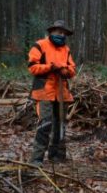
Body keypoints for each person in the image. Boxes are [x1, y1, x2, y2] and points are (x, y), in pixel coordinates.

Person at [27, 20, 77, 165]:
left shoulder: (66, 50)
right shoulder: (40, 45)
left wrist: (63, 70)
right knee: (45, 124)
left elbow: (72, 69)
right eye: (58, 32)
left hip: (62, 92)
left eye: (63, 33)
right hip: (44, 91)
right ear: (52, 32)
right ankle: (37, 159)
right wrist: (50, 67)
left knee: (60, 124)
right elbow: (32, 67)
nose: (61, 35)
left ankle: (57, 156)